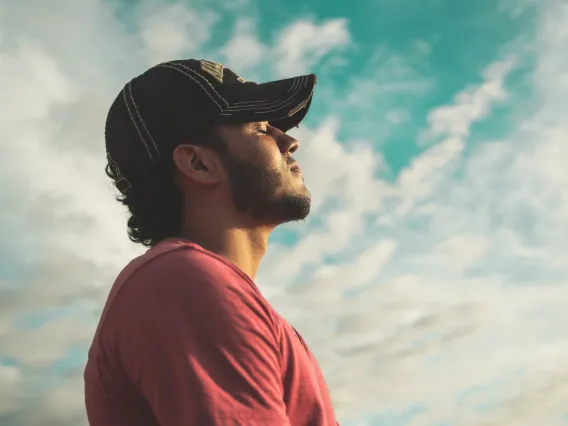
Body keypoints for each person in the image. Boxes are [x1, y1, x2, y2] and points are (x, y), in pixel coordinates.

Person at [84, 59, 339, 426]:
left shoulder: (196, 285)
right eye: (260, 129)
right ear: (198, 164)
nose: (290, 140)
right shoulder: (184, 282)